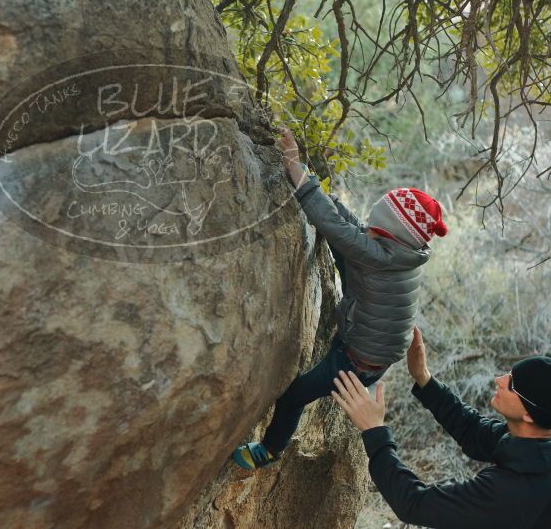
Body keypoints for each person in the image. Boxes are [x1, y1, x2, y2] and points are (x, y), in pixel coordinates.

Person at [233, 127, 448, 470]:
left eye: (378, 223)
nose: (370, 228)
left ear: (390, 230)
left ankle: (269, 450)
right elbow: (351, 227)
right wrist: (317, 189)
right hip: (375, 346)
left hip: (357, 361)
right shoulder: (404, 251)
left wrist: (293, 167)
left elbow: (334, 226)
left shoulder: (377, 256)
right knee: (345, 247)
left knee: (293, 396)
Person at [332, 327, 551, 528]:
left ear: (529, 415)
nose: (499, 380)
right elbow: (473, 431)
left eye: (512, 385)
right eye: (509, 374)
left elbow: (415, 504)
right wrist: (424, 378)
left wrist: (374, 430)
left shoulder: (516, 492)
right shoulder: (535, 443)